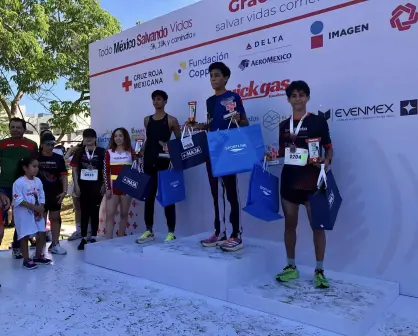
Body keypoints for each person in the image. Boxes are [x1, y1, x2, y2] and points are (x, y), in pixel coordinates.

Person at [276, 80, 333, 288]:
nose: (298, 98)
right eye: (294, 95)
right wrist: (271, 155)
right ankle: (291, 266)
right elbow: (283, 153)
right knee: (290, 225)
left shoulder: (318, 121)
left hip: (312, 181)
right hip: (290, 181)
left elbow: (329, 148)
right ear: (288, 99)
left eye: (301, 95)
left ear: (307, 97)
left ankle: (319, 270)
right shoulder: (283, 125)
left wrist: (326, 163)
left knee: (317, 227)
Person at [190, 62, 249, 252]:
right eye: (211, 76)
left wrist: (238, 119)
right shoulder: (209, 101)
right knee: (216, 193)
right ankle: (220, 231)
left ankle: (236, 234)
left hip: (229, 148)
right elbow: (211, 124)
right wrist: (198, 126)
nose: (213, 79)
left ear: (226, 77)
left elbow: (245, 122)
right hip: (212, 148)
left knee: (231, 192)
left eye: (217, 75)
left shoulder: (233, 97)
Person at [136, 90, 181, 244]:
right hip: (149, 162)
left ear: (165, 101)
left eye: (159, 99)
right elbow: (149, 139)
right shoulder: (147, 120)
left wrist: (169, 149)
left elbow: (178, 142)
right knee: (148, 197)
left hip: (165, 163)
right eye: (154, 99)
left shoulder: (172, 120)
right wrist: (141, 151)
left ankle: (171, 232)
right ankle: (149, 230)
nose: (156, 102)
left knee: (168, 197)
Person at [0, 118, 38, 259]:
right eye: (13, 127)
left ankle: (17, 247)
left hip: (24, 187)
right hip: (4, 187)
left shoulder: (32, 145)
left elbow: (35, 166)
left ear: (24, 128)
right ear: (9, 128)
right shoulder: (2, 144)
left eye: (18, 127)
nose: (15, 129)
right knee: (1, 219)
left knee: (22, 219)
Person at [12, 157, 52, 269]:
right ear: (25, 168)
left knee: (42, 233)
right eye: (33, 166)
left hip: (37, 213)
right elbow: (18, 199)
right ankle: (26, 260)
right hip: (23, 214)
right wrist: (34, 207)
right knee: (24, 236)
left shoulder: (37, 180)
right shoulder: (18, 182)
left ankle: (38, 256)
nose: (36, 169)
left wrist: (41, 206)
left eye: (37, 167)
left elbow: (41, 194)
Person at [70, 129, 106, 250]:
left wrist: (104, 184)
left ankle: (94, 236)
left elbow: (104, 169)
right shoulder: (79, 152)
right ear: (83, 139)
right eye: (86, 137)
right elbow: (74, 169)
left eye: (91, 137)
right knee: (84, 211)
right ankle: (84, 238)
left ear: (95, 139)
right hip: (83, 185)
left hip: (97, 186)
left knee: (95, 212)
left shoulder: (101, 151)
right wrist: (76, 185)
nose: (89, 140)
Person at [37, 133, 68, 255]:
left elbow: (64, 175)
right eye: (48, 144)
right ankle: (40, 246)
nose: (50, 147)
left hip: (56, 193)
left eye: (53, 144)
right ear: (42, 145)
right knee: (41, 220)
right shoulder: (36, 157)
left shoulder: (58, 158)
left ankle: (55, 244)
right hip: (39, 195)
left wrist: (64, 191)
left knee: (55, 218)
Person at [104, 128, 135, 238]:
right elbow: (106, 171)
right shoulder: (109, 152)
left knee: (123, 214)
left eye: (120, 136)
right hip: (113, 187)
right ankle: (108, 240)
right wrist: (107, 188)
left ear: (125, 137)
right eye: (115, 136)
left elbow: (135, 169)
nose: (118, 138)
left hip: (126, 187)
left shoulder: (131, 152)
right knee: (110, 214)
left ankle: (120, 239)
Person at [65, 144, 87, 241]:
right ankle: (78, 230)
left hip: (90, 184)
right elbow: (65, 160)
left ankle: (88, 231)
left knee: (88, 208)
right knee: (77, 207)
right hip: (76, 183)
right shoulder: (77, 154)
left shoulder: (95, 154)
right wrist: (70, 151)